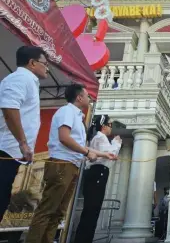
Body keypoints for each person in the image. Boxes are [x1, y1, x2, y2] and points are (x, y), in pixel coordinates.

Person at [25, 84, 116, 243]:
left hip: (72, 166)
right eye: (87, 95)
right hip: (62, 164)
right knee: (47, 210)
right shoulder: (67, 111)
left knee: (58, 212)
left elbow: (80, 144)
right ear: (79, 97)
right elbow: (64, 137)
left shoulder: (77, 117)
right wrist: (87, 153)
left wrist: (102, 153)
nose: (89, 98)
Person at [0, 46, 49, 222]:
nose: (47, 68)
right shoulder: (20, 78)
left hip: (11, 153)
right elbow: (9, 108)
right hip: (5, 150)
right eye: (45, 63)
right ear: (32, 63)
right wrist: (22, 142)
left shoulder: (29, 81)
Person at [74, 115, 122, 243]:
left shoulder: (98, 138)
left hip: (97, 173)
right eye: (110, 125)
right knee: (92, 210)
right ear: (104, 126)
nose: (111, 128)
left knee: (91, 210)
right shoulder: (100, 137)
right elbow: (111, 155)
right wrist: (116, 143)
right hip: (98, 173)